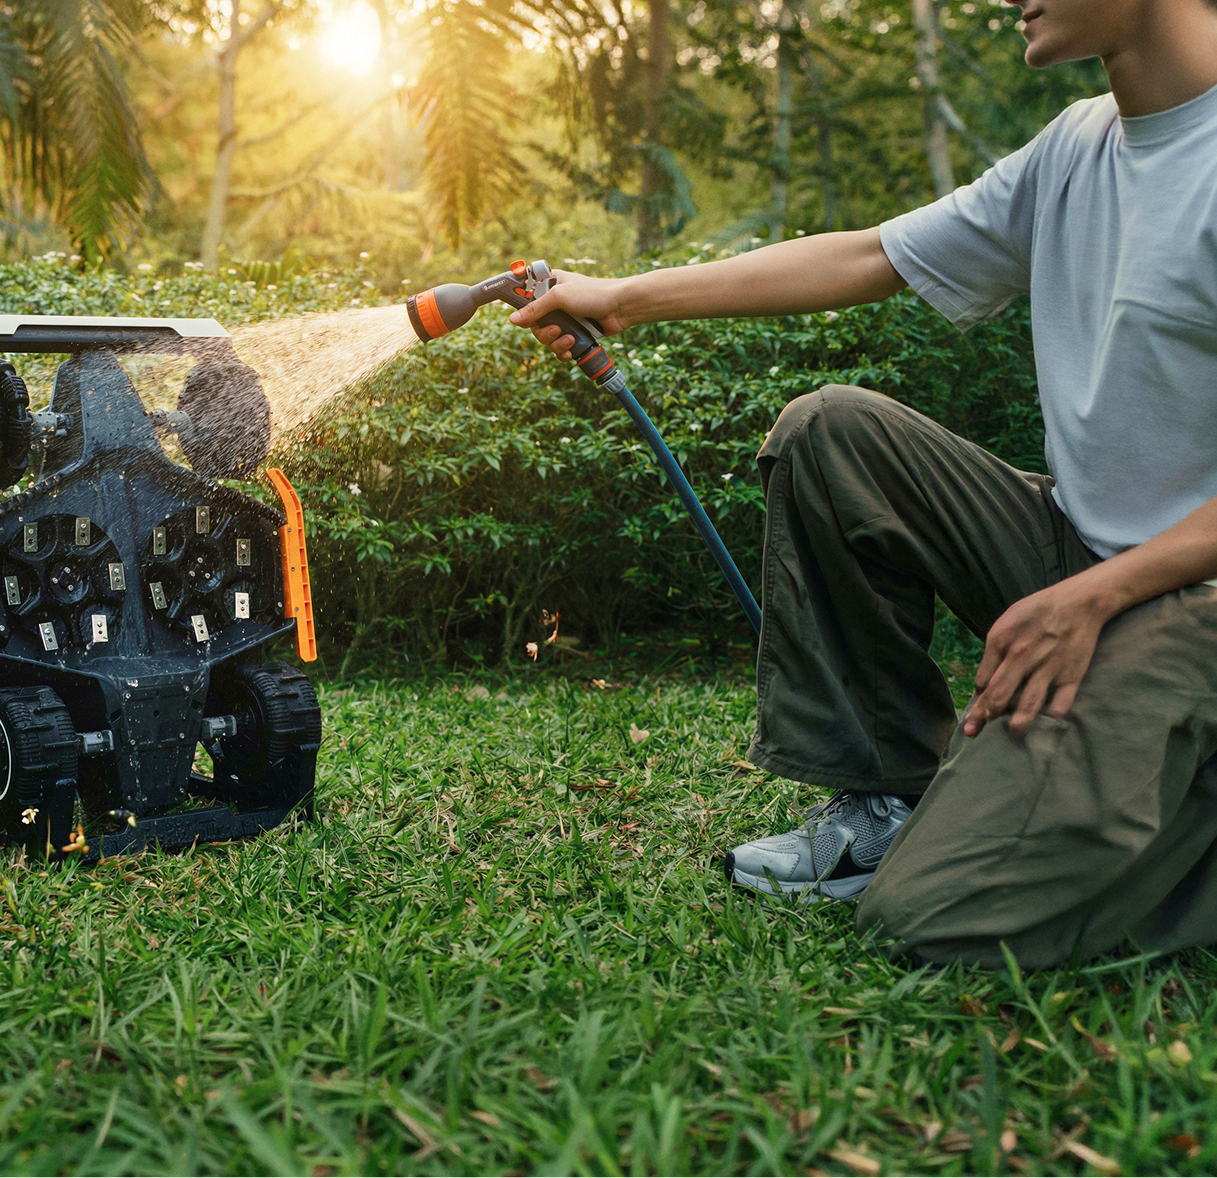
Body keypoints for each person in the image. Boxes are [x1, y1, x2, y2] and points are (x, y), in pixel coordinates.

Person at [510, 0, 1217, 969]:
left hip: (1192, 601)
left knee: (928, 911)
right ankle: (889, 795)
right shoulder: (1076, 151)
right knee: (830, 434)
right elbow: (871, 252)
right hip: (1078, 548)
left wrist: (1099, 597)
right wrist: (623, 299)